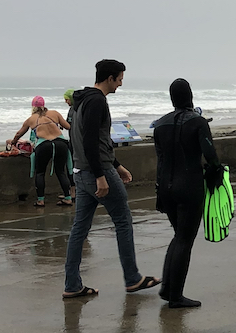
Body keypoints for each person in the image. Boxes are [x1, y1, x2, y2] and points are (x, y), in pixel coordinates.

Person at [63, 59, 159, 298]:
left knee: (79, 229)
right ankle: (133, 278)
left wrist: (117, 165)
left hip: (81, 172)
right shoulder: (97, 101)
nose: (120, 85)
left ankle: (72, 285)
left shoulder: (78, 101)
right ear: (110, 78)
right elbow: (91, 141)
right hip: (96, 172)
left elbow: (86, 140)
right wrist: (101, 176)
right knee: (123, 220)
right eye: (120, 80)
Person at [152, 78, 221, 308]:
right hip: (189, 185)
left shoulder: (160, 124)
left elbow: (161, 160)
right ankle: (175, 296)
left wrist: (160, 191)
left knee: (178, 235)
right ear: (190, 95)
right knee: (184, 239)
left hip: (166, 187)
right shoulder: (198, 122)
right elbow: (211, 157)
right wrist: (215, 178)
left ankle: (167, 288)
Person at [10, 96, 72, 207]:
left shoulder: (31, 119)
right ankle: (68, 198)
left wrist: (13, 142)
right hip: (60, 143)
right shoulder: (54, 113)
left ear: (33, 107)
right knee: (61, 171)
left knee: (40, 172)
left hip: (44, 145)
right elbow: (68, 126)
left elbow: (19, 134)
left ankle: (41, 200)